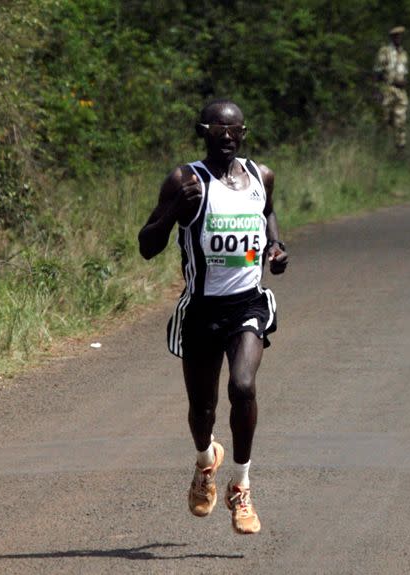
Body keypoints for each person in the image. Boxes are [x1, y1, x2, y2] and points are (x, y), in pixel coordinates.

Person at [138, 99, 288, 532]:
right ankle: (206, 461)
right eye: (217, 131)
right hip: (202, 309)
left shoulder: (261, 176)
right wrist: (170, 212)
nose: (226, 137)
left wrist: (275, 247)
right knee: (202, 408)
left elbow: (268, 213)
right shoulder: (186, 181)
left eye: (233, 130)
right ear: (203, 132)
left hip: (247, 303)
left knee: (242, 387)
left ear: (243, 133)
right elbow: (147, 247)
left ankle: (240, 486)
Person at [374, 26, 409, 152]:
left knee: (401, 121)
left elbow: (404, 71)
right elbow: (378, 71)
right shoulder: (385, 51)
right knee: (385, 120)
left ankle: (400, 149)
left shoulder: (403, 53)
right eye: (396, 36)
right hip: (387, 89)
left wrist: (404, 81)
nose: (398, 38)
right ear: (392, 37)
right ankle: (381, 148)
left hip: (400, 91)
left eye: (400, 36)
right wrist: (377, 90)